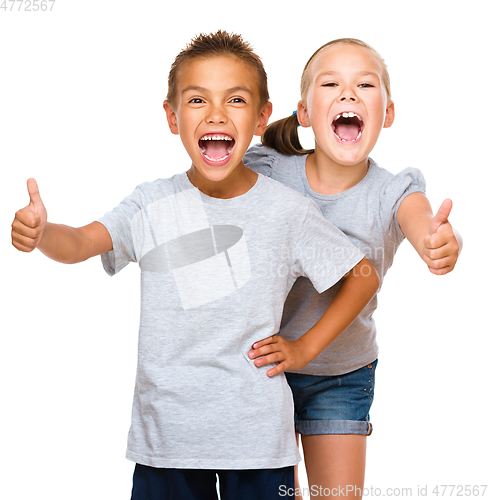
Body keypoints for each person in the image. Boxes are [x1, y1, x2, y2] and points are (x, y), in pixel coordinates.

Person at [11, 32, 380, 500]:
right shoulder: (152, 203)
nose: (216, 114)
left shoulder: (286, 211)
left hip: (258, 443)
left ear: (262, 116)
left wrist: (304, 349)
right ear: (172, 116)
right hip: (167, 440)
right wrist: (43, 233)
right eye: (197, 99)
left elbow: (362, 276)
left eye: (236, 99)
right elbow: (83, 241)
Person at [244, 38, 462, 498]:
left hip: (342, 374)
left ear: (387, 113)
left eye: (365, 84)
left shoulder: (392, 191)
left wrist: (442, 241)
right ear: (304, 113)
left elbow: (424, 222)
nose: (348, 94)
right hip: (263, 366)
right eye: (331, 84)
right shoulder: (269, 170)